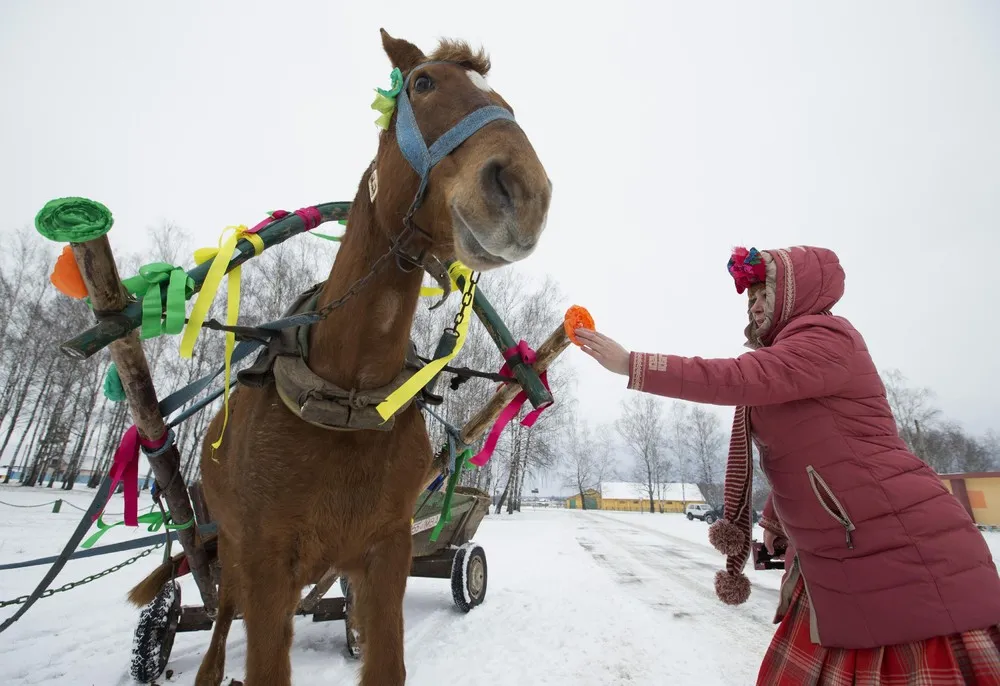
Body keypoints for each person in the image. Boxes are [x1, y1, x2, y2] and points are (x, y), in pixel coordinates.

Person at [574, 245, 1000, 685]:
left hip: (897, 543)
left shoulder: (826, 338)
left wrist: (632, 365)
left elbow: (737, 377)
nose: (755, 304)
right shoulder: (790, 357)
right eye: (750, 297)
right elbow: (802, 457)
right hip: (837, 550)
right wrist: (777, 521)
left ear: (797, 294)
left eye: (765, 293)